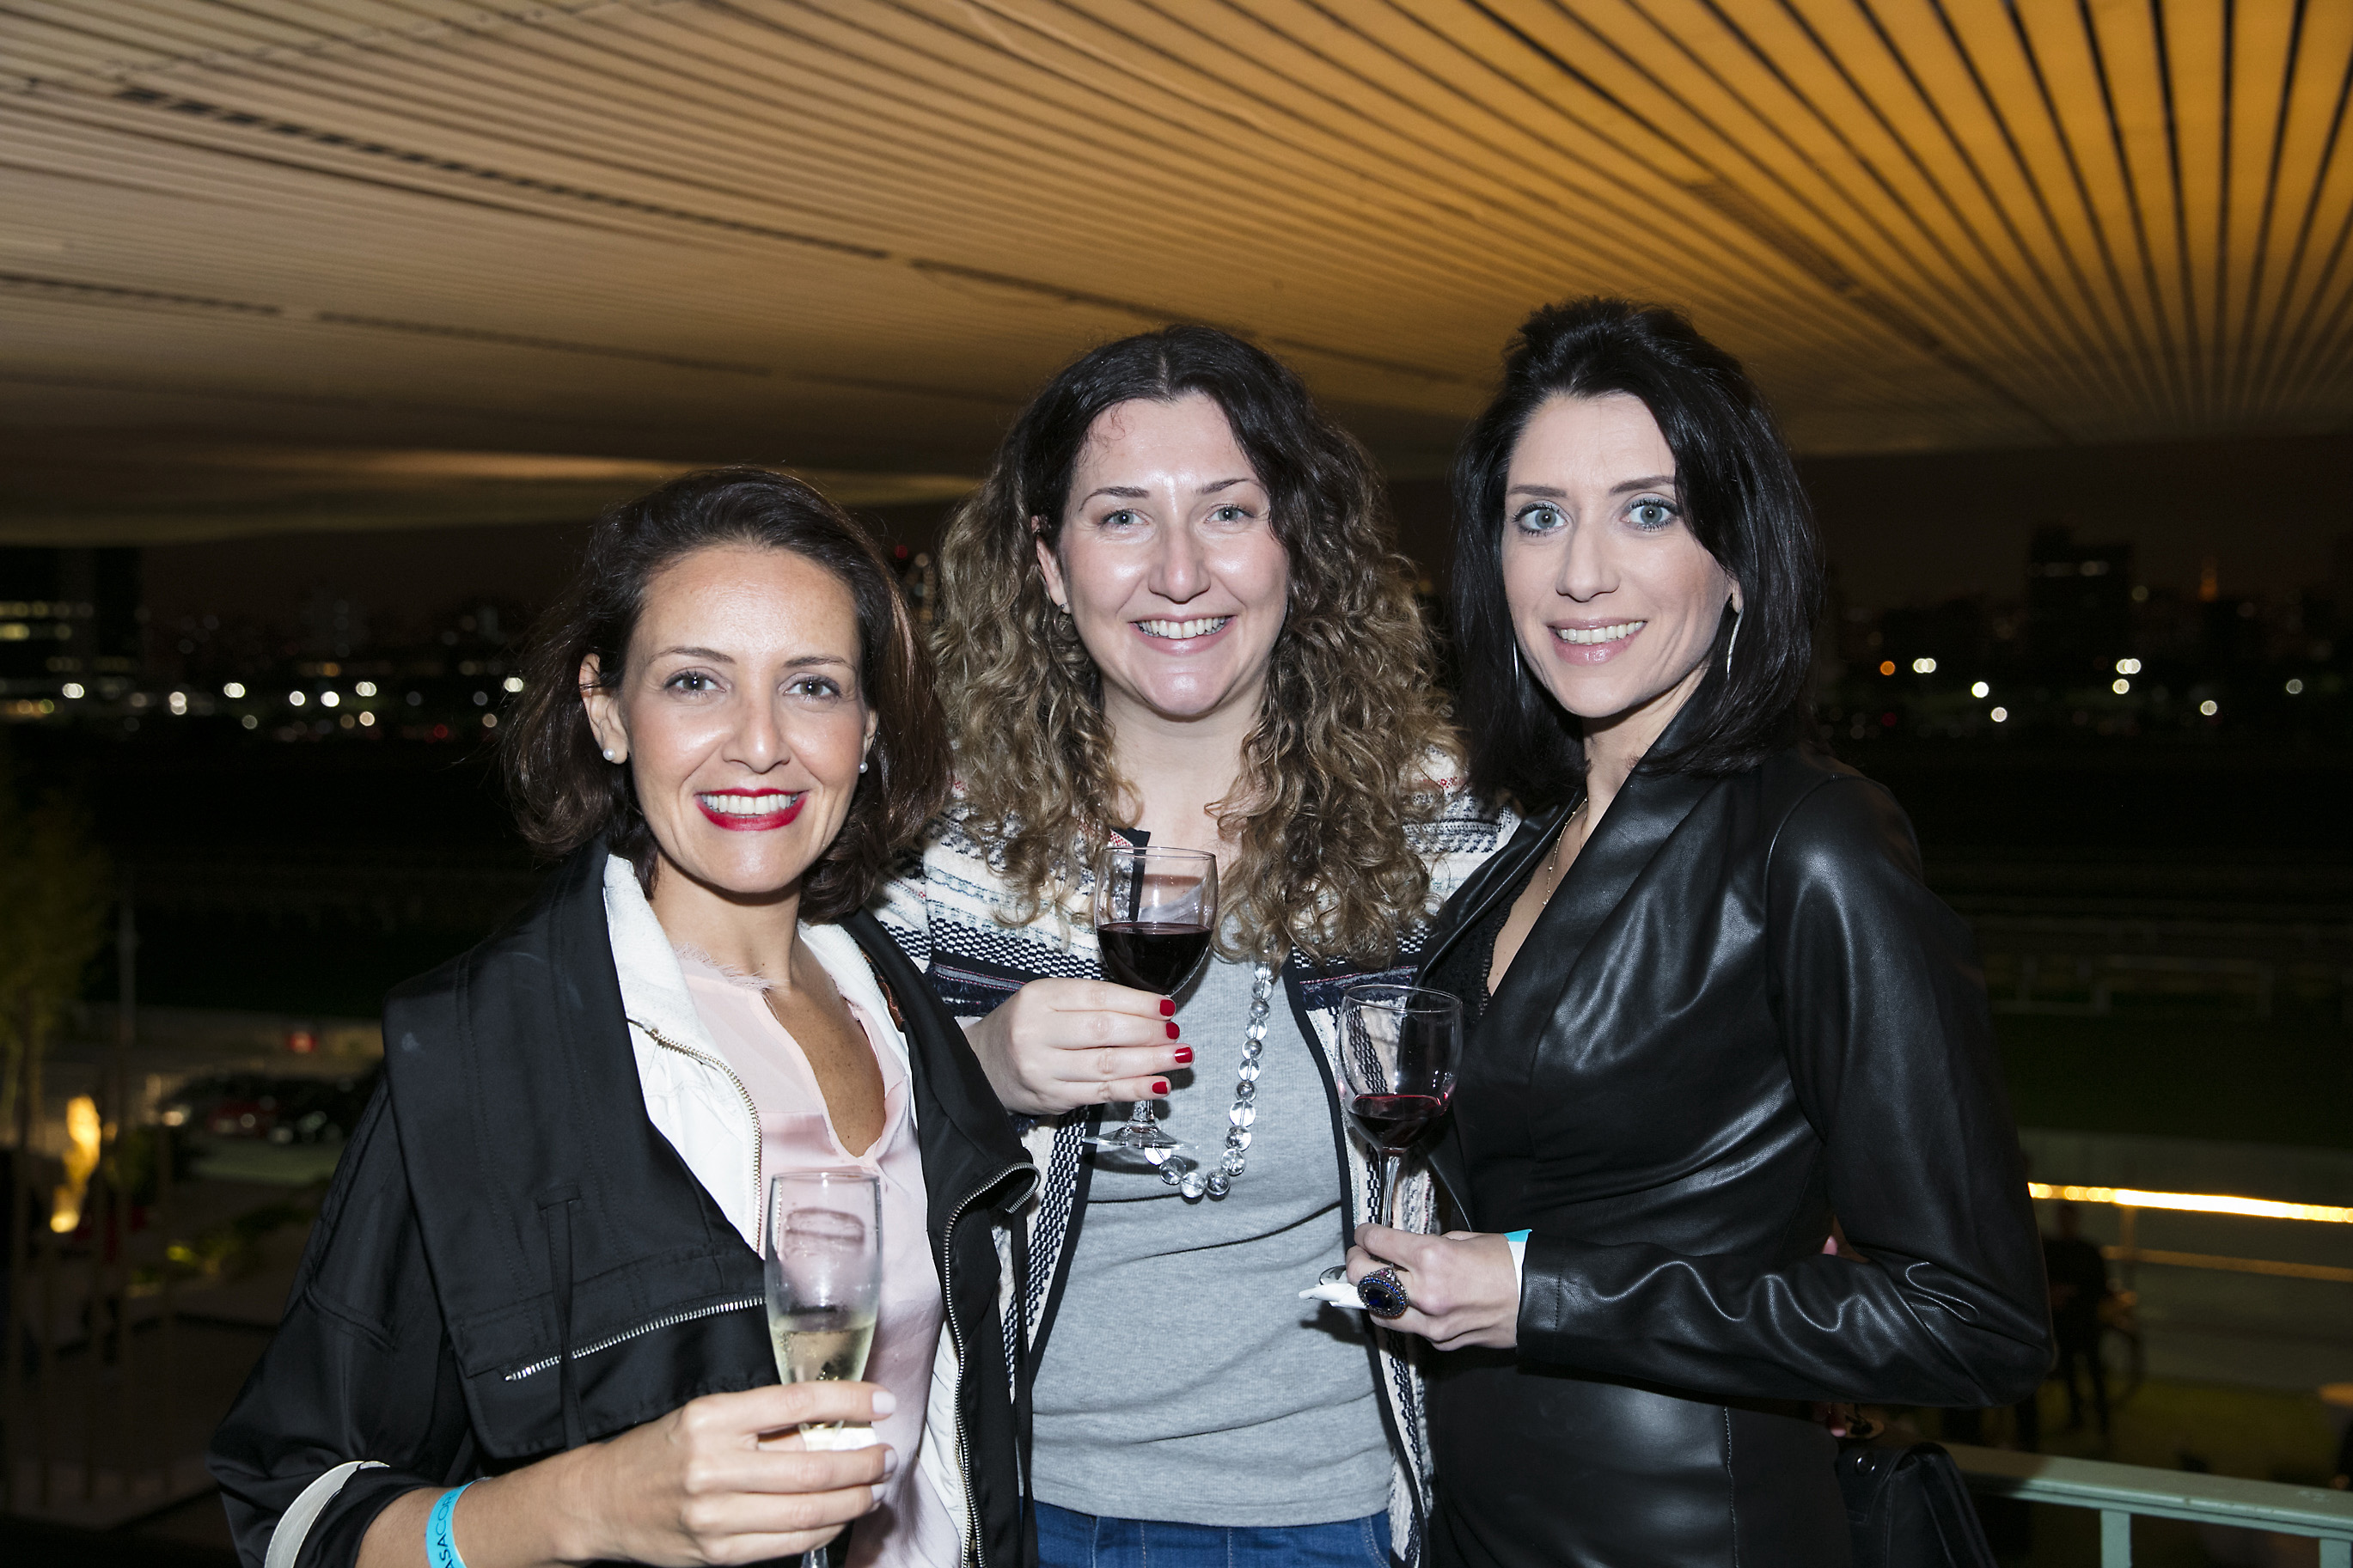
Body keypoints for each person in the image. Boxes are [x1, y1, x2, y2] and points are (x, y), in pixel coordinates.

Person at [210, 470, 1037, 1568]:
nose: (758, 742)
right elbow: (292, 1512)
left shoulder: (900, 1007)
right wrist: (586, 1505)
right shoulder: (480, 1061)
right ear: (605, 709)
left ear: (869, 725)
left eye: (813, 687)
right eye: (696, 682)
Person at [1342, 297, 2052, 1567]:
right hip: (1481, 1523)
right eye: (1538, 515)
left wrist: (1539, 1290)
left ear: (1736, 554)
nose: (1579, 572)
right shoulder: (1531, 834)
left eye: (1647, 510)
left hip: (1683, 1535)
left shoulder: (1811, 841)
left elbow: (1971, 1318)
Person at [877, 325, 1509, 1566]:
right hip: (1001, 1509)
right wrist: (977, 1069)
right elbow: (794, 1153)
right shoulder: (932, 846)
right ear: (1047, 566)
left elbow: (1592, 1122)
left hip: (1327, 1514)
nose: (1178, 572)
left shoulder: (1445, 824)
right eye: (1119, 518)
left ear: (1298, 548)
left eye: (1227, 510)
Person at [2044, 1201, 2113, 1436]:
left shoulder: (2087, 1252)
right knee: (2071, 1373)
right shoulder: (2053, 1250)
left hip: (2085, 1322)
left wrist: (2071, 1293)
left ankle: (2102, 1420)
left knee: (2093, 1372)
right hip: (2066, 1323)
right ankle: (2078, 1418)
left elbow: (2099, 1288)